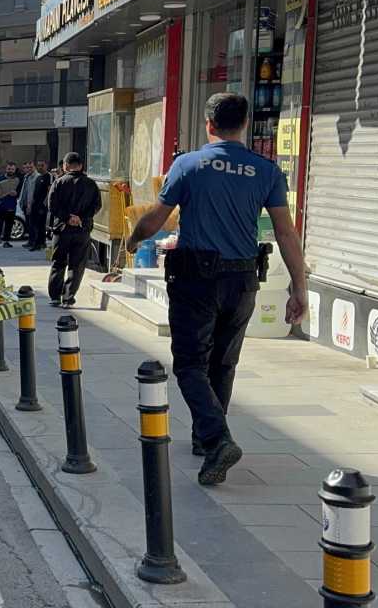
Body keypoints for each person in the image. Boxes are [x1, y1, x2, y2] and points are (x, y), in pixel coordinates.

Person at [126, 92, 307, 486]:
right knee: (223, 363)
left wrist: (132, 239)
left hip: (196, 278)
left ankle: (217, 437)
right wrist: (299, 285)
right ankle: (207, 439)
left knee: (190, 363)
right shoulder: (266, 170)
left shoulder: (188, 165)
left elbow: (156, 219)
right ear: (244, 124)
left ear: (209, 124)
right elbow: (285, 231)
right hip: (243, 280)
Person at [47, 152, 101, 308]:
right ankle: (68, 297)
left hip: (62, 229)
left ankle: (55, 296)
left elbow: (52, 205)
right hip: (82, 230)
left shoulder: (58, 183)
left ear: (65, 166)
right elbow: (96, 206)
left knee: (58, 262)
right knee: (77, 265)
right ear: (81, 166)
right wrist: (81, 218)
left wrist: (67, 217)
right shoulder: (91, 184)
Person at [0, 162, 21, 248]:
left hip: (12, 205)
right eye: (9, 169)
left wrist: (16, 193)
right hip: (1, 205)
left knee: (9, 225)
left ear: (15, 170)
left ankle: (6, 241)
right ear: (6, 169)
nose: (10, 170)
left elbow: (20, 191)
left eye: (12, 169)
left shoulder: (18, 179)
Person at [26, 160, 53, 250]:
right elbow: (34, 192)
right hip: (35, 204)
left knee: (40, 225)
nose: (40, 167)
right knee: (34, 224)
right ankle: (40, 242)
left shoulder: (49, 176)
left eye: (42, 165)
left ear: (46, 166)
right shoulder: (38, 177)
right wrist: (30, 204)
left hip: (42, 205)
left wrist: (45, 204)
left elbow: (50, 191)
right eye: (38, 165)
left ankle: (37, 244)